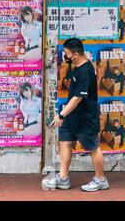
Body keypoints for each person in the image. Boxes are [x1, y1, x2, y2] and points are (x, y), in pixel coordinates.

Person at [42, 38, 109, 192]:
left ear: (76, 54)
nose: (64, 56)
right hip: (72, 115)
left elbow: (78, 98)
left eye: (67, 53)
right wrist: (65, 114)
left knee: (93, 148)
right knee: (65, 142)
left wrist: (61, 115)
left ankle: (101, 179)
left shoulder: (85, 71)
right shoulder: (77, 66)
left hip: (85, 118)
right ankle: (63, 178)